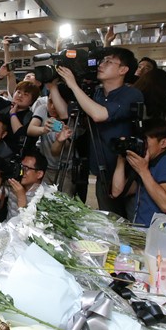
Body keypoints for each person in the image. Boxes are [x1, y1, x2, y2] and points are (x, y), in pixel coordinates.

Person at [55, 46, 144, 218]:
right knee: (109, 221)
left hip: (128, 173)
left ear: (123, 70)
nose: (101, 64)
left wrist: (73, 85)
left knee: (131, 223)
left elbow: (99, 114)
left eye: (109, 62)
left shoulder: (131, 94)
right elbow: (65, 113)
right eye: (102, 61)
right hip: (101, 172)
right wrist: (53, 86)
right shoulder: (96, 94)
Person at [111, 118, 166, 227]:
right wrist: (122, 157)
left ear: (163, 143)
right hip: (140, 230)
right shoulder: (147, 163)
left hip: (158, 234)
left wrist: (143, 171)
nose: (141, 144)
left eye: (145, 140)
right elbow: (117, 191)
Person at [0, 67, 41, 155]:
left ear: (32, 101)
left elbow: (20, 136)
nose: (20, 96)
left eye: (26, 94)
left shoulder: (31, 118)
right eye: (18, 92)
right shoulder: (5, 106)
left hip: (12, 157)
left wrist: (13, 114)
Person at [0, 150, 48, 220]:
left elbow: (29, 222)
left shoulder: (46, 195)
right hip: (8, 224)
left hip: (24, 226)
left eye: (26, 168)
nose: (21, 171)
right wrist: (0, 176)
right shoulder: (14, 183)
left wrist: (21, 195)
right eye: (21, 166)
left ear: (39, 174)